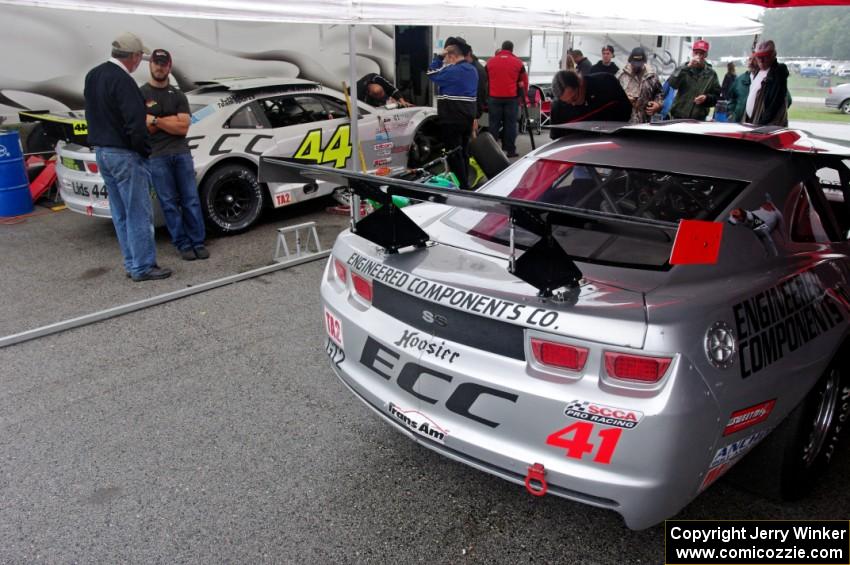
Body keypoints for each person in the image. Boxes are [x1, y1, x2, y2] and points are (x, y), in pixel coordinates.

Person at [84, 32, 172, 282]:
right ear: (133, 56)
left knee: (121, 212)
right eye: (139, 58)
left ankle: (132, 263)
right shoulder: (123, 81)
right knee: (138, 213)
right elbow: (136, 124)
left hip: (102, 151)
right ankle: (143, 266)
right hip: (125, 154)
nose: (139, 63)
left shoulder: (94, 75)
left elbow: (91, 112)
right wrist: (144, 152)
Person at [140, 49, 209, 262]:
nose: (159, 67)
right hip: (157, 156)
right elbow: (145, 128)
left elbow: (183, 129)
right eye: (156, 63)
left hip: (181, 153)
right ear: (150, 65)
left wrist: (156, 120)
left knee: (190, 199)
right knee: (168, 202)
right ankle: (182, 244)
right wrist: (168, 121)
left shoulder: (178, 95)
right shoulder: (141, 94)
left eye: (163, 63)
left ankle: (198, 242)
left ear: (169, 66)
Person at [427, 44, 478, 190]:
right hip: (467, 116)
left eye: (447, 58)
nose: (445, 61)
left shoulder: (453, 70)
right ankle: (465, 180)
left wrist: (439, 57)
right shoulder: (472, 69)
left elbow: (431, 73)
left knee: (453, 153)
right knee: (463, 151)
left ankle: (462, 186)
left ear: (452, 56)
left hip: (452, 117)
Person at [549, 70, 631, 139]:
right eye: (566, 102)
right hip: (579, 152)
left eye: (574, 98)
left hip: (613, 142)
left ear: (580, 82)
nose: (573, 104)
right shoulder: (558, 108)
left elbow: (627, 110)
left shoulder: (607, 83)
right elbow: (556, 138)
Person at [485, 40, 528, 158]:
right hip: (511, 98)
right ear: (512, 49)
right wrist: (523, 98)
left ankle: (492, 150)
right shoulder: (518, 63)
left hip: (494, 97)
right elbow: (524, 81)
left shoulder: (490, 62)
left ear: (502, 48)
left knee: (493, 124)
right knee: (510, 124)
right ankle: (510, 150)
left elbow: (485, 80)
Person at [668, 39, 720, 121]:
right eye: (696, 53)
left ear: (706, 55)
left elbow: (716, 97)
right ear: (692, 53)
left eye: (701, 53)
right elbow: (672, 84)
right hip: (678, 116)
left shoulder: (711, 74)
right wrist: (687, 67)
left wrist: (706, 98)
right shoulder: (684, 68)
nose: (698, 56)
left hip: (698, 119)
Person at [445, 37, 488, 133]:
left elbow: (480, 95)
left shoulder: (477, 70)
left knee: (466, 144)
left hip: (467, 117)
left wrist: (474, 116)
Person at [745, 40, 789, 126]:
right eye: (758, 57)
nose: (761, 60)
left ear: (773, 55)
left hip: (768, 126)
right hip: (754, 122)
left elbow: (774, 104)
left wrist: (762, 125)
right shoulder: (758, 72)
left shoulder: (777, 72)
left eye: (765, 56)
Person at [616, 47, 663, 124]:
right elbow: (613, 93)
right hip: (623, 120)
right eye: (634, 63)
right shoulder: (621, 75)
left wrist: (658, 105)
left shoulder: (651, 76)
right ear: (630, 60)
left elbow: (659, 93)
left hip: (643, 121)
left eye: (639, 63)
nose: (636, 66)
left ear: (644, 62)